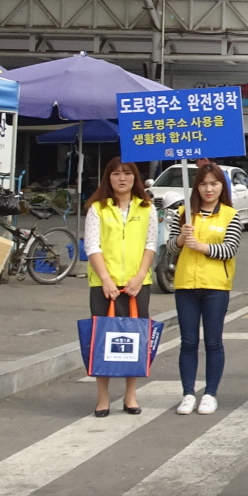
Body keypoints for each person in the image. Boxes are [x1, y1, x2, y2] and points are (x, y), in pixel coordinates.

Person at [163, 161, 247, 415]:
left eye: (214, 183)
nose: (208, 189)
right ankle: (188, 393)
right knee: (188, 341)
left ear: (223, 186)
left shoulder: (231, 215)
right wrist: (180, 238)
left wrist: (201, 247)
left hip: (216, 287)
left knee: (213, 342)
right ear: (196, 187)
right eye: (203, 183)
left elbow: (230, 249)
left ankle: (210, 393)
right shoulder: (185, 214)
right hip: (186, 284)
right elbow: (170, 248)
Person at [82, 157, 158, 417]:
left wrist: (140, 276)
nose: (122, 178)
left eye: (127, 173)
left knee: (134, 339)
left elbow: (151, 244)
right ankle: (102, 397)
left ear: (135, 178)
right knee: (102, 339)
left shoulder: (147, 207)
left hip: (137, 285)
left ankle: (130, 395)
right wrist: (105, 278)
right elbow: (92, 246)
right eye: (116, 174)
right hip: (104, 285)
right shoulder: (97, 208)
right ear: (108, 178)